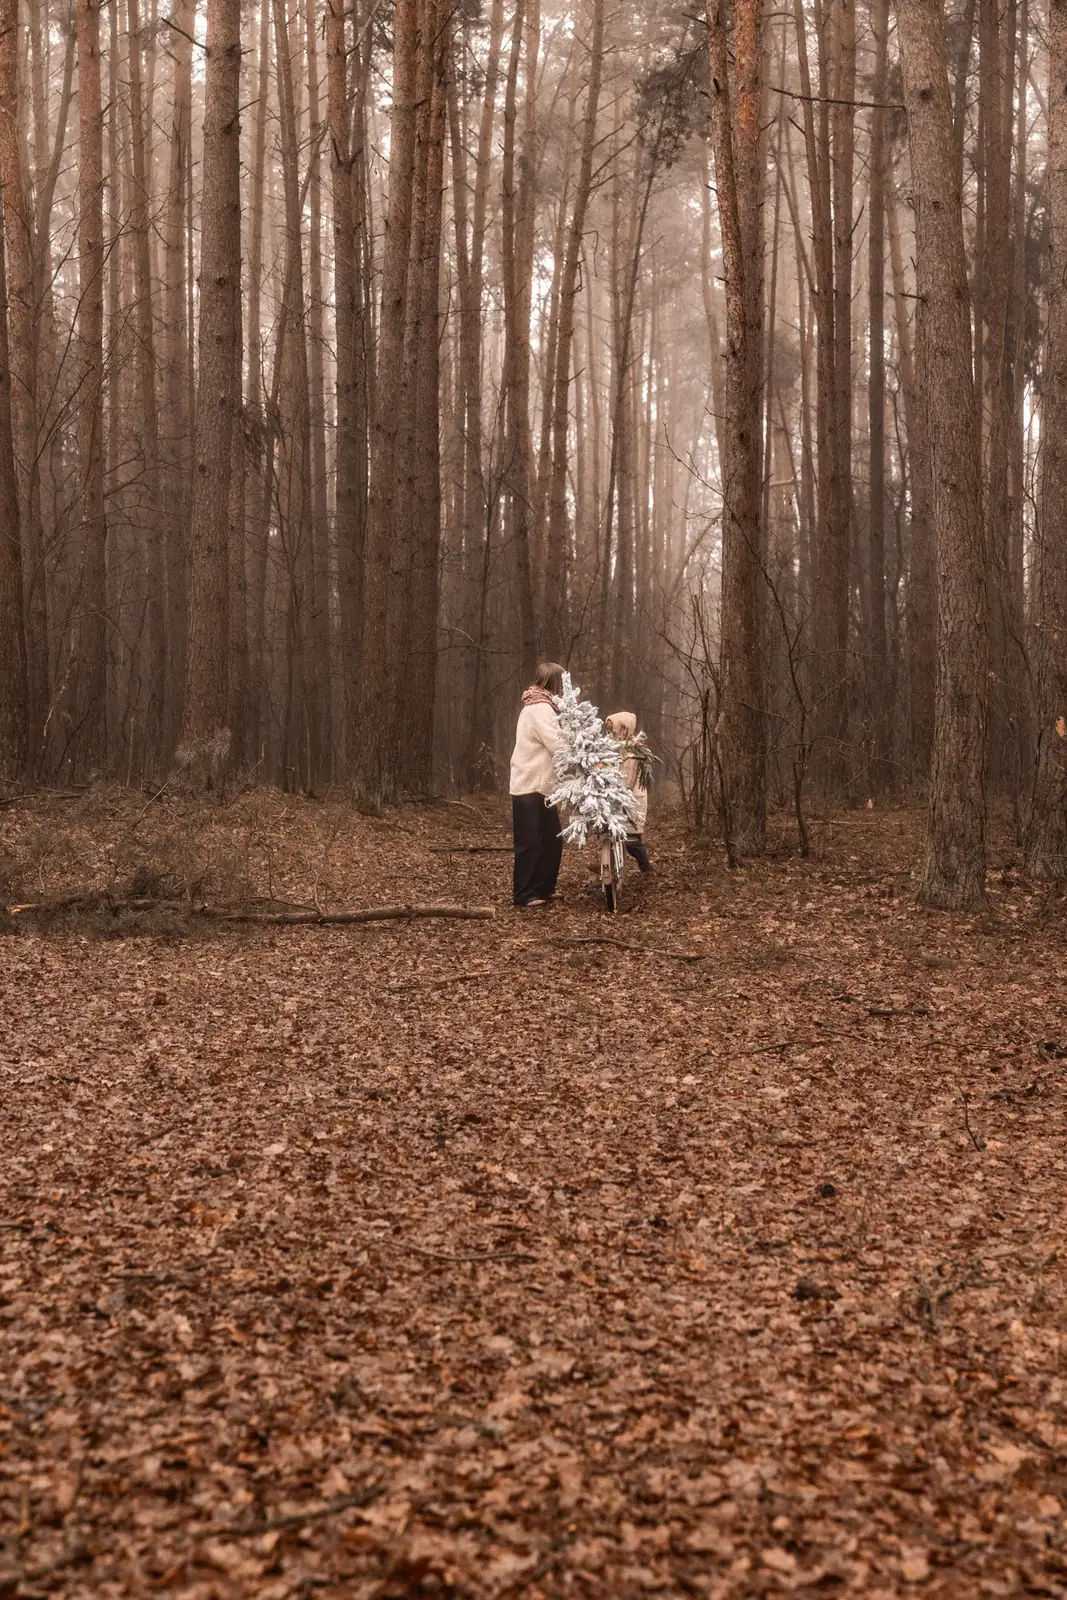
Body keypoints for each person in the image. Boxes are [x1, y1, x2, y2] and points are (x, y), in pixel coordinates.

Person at [509, 662, 566, 907]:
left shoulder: (541, 707)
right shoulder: (540, 708)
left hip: (542, 787)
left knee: (552, 840)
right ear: (554, 682)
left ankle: (544, 888)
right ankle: (524, 894)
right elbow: (557, 744)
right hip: (529, 785)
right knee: (529, 842)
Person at [605, 711, 654, 873]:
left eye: (615, 729)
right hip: (618, 798)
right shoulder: (615, 748)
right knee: (614, 836)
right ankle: (610, 866)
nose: (612, 733)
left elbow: (627, 780)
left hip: (632, 800)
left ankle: (646, 867)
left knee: (632, 841)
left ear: (624, 728)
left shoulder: (632, 751)